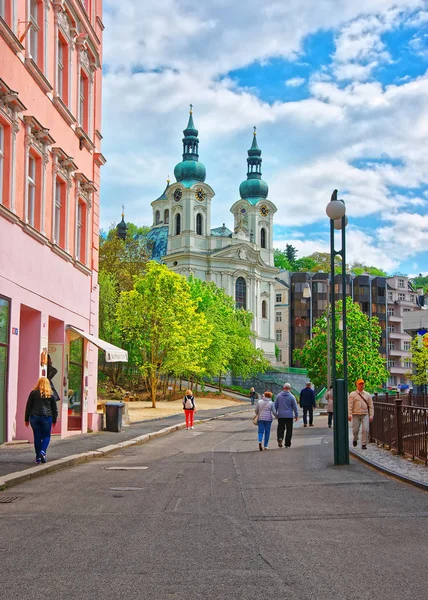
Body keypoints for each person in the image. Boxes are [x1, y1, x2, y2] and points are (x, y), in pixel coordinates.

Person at [25, 376, 57, 464]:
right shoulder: (50, 394)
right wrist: (54, 420)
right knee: (46, 436)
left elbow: (28, 406)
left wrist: (26, 419)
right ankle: (43, 452)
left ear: (38, 383)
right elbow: (54, 409)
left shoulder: (33, 393)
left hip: (34, 417)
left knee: (37, 436)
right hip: (47, 417)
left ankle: (38, 458)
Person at [348, 379, 374, 449]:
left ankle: (364, 444)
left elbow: (371, 406)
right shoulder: (352, 394)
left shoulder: (367, 395)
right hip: (355, 414)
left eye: (362, 384)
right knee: (355, 430)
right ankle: (355, 438)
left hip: (365, 414)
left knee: (365, 429)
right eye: (360, 384)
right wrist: (349, 414)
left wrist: (371, 415)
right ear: (357, 385)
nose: (361, 385)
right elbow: (350, 405)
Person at [274, 383, 299, 448]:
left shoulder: (278, 396)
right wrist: (296, 415)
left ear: (283, 387)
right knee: (289, 430)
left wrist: (276, 415)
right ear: (290, 389)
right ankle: (287, 444)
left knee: (280, 428)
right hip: (289, 416)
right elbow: (295, 407)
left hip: (281, 415)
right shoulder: (292, 397)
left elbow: (275, 406)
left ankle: (280, 437)